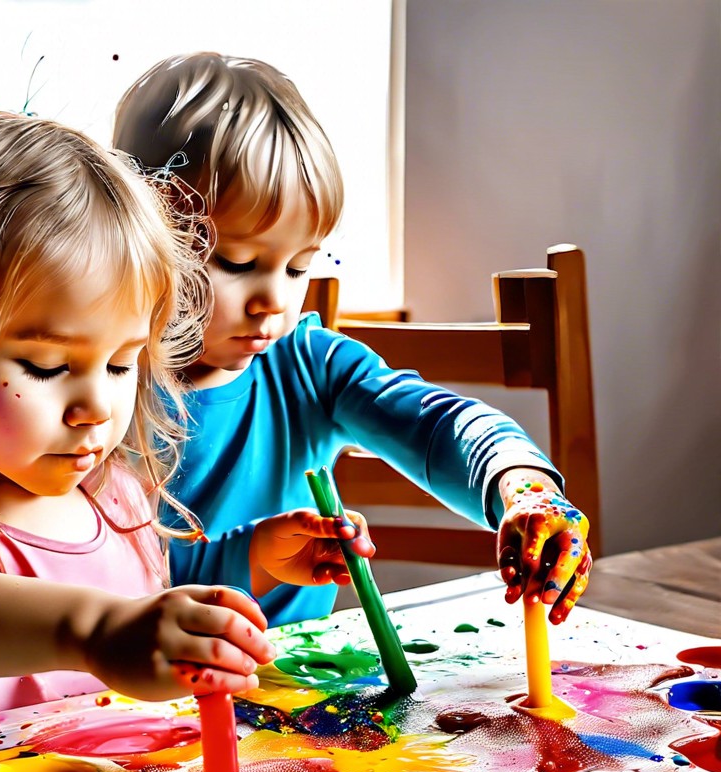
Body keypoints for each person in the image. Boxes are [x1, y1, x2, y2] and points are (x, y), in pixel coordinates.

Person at [0, 109, 374, 741]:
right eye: (47, 366)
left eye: (123, 363)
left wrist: (257, 559)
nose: (97, 407)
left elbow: (148, 600)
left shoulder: (113, 492)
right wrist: (92, 632)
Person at [112, 52, 593, 628]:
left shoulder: (310, 365)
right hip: (153, 691)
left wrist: (522, 486)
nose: (275, 301)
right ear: (140, 242)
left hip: (305, 680)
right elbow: (106, 577)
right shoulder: (102, 388)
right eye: (237, 263)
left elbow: (439, 426)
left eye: (297, 269)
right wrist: (254, 557)